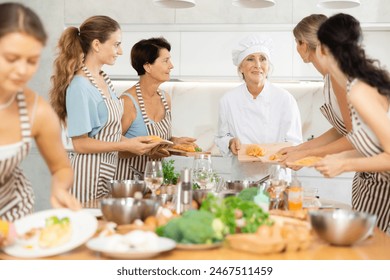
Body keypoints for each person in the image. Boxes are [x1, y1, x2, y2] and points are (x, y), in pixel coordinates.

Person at [49, 16, 159, 203]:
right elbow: (80, 144)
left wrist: (139, 143)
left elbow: (106, 134)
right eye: (116, 44)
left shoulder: (104, 80)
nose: (120, 51)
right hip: (86, 175)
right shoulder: (79, 86)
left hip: (107, 171)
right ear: (97, 45)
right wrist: (125, 145)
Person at [0, 2, 81, 222]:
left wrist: (59, 189)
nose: (22, 70)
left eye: (32, 61)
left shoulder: (37, 111)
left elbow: (61, 168)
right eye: (11, 59)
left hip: (12, 214)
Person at [314, 13, 390, 233]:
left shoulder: (358, 91)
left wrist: (343, 164)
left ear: (322, 49)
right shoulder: (360, 83)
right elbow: (374, 146)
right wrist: (331, 158)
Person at [215, 34, 302, 181]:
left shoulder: (285, 99)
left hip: (276, 179)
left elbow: (295, 142)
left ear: (268, 66)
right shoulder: (228, 100)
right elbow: (221, 137)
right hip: (243, 179)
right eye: (250, 59)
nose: (258, 65)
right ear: (241, 67)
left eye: (263, 59)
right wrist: (230, 143)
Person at [115, 37, 196, 180]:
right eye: (165, 61)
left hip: (154, 180)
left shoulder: (165, 98)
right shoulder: (128, 102)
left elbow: (159, 139)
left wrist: (175, 142)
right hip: (128, 182)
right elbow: (113, 147)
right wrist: (147, 151)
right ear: (148, 67)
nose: (171, 66)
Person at [278, 14, 355, 166]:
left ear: (304, 44)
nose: (297, 48)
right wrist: (299, 149)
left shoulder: (338, 75)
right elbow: (342, 130)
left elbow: (357, 137)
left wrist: (307, 154)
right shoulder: (329, 77)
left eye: (297, 42)